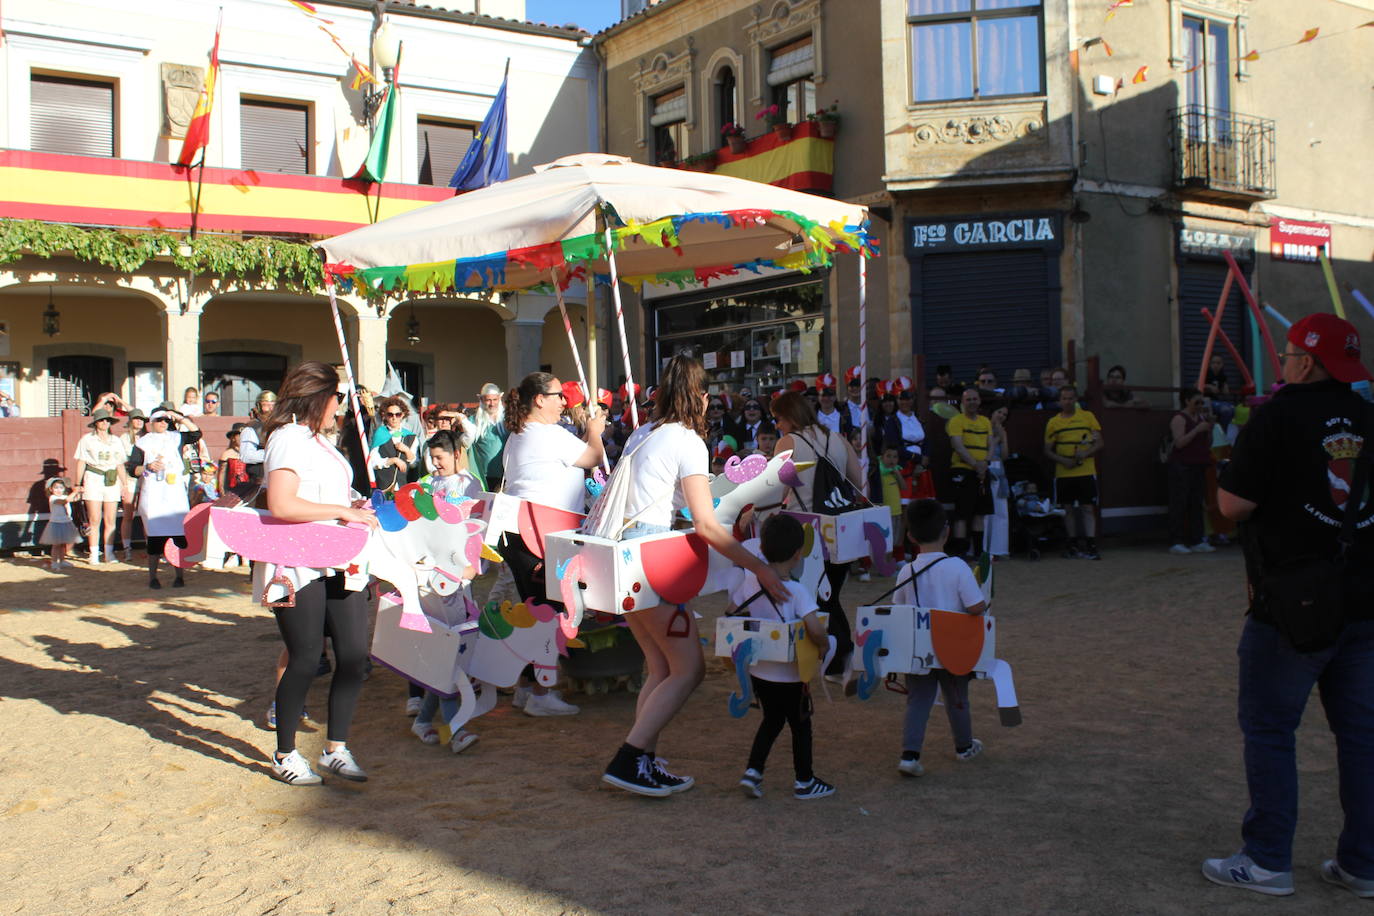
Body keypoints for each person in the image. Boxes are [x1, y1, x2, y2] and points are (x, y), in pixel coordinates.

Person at [1203, 313, 1374, 899]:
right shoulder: (1370, 416)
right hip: (1365, 594)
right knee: (1362, 736)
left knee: (1271, 729)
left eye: (1289, 351)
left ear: (1304, 359)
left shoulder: (1275, 417)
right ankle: (1364, 863)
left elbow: (1231, 504)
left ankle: (1268, 857)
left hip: (1295, 601)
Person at [601, 355, 789, 797]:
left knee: (661, 666)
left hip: (623, 555)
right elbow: (705, 523)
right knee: (688, 670)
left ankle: (642, 758)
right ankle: (630, 757)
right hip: (652, 559)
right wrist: (758, 565)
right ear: (702, 398)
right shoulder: (688, 441)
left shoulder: (642, 433)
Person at [255, 361, 379, 786]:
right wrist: (341, 511)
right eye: (338, 397)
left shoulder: (320, 441)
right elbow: (282, 505)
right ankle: (286, 754)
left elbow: (330, 495)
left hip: (339, 557)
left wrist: (355, 506)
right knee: (306, 657)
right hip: (296, 562)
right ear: (320, 397)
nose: (340, 406)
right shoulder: (288, 439)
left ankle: (336, 748)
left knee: (353, 655)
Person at [501, 371, 606, 717]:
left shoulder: (520, 434)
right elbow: (593, 459)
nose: (564, 401)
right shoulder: (548, 434)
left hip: (526, 532)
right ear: (539, 399)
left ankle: (527, 687)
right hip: (542, 534)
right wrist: (595, 432)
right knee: (551, 615)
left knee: (538, 612)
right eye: (558, 395)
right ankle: (540, 692)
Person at [731, 513, 834, 801]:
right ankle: (805, 780)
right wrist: (825, 644)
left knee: (771, 720)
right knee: (801, 726)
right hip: (790, 674)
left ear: (762, 550)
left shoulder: (751, 583)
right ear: (798, 554)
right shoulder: (797, 591)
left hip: (759, 670)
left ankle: (753, 771)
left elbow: (732, 609)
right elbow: (814, 628)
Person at [772, 391, 866, 682]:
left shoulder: (788, 443)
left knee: (819, 597)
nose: (776, 425)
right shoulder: (837, 439)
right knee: (831, 593)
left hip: (807, 530)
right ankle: (839, 656)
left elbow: (776, 490)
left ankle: (841, 654)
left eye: (778, 419)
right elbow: (859, 482)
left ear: (790, 417)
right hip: (841, 529)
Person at [892, 499, 988, 777]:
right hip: (953, 644)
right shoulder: (957, 567)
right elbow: (975, 606)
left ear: (910, 536)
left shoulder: (906, 570)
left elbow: (899, 608)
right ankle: (964, 746)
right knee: (957, 697)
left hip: (918, 646)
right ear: (946, 531)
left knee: (918, 700)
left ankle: (909, 755)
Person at [409, 429, 484, 754]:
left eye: (439, 458)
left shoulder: (471, 485)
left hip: (459, 578)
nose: (434, 464)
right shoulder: (428, 485)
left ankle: (425, 720)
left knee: (452, 651)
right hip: (434, 578)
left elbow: (479, 529)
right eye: (432, 458)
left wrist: (472, 563)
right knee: (447, 650)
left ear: (456, 454)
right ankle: (455, 728)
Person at [130, 406, 200, 589]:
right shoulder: (142, 443)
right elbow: (132, 469)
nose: (163, 424)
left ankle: (179, 576)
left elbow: (196, 433)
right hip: (153, 492)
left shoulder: (176, 437)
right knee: (154, 537)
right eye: (160, 420)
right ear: (151, 422)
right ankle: (153, 577)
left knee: (178, 535)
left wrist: (178, 417)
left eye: (166, 420)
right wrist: (148, 467)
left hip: (174, 492)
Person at [1044, 383, 1104, 559]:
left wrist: (1084, 454)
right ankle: (1072, 545)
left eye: (1071, 398)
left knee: (1087, 507)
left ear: (1076, 400)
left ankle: (1091, 545)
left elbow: (1099, 442)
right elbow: (1047, 450)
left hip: (1085, 469)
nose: (1068, 402)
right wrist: (1064, 461)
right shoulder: (1053, 422)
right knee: (1067, 509)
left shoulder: (1088, 417)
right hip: (1064, 471)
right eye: (1064, 399)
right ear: (1059, 401)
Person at [72, 408, 128, 564]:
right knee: (94, 518)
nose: (105, 423)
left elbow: (120, 465)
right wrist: (78, 483)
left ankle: (109, 553)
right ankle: (94, 553)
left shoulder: (115, 440)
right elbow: (81, 462)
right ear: (96, 423)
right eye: (102, 420)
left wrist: (124, 484)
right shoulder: (87, 440)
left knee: (110, 519)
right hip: (94, 478)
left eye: (107, 420)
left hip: (111, 479)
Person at [1167, 388, 1216, 555]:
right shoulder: (1179, 418)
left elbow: (1208, 442)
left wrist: (1209, 428)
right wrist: (1197, 430)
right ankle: (1176, 540)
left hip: (1198, 465)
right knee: (1179, 503)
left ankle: (1197, 539)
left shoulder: (1201, 418)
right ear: (1187, 401)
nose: (1200, 405)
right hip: (1182, 466)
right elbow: (1179, 443)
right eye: (1197, 402)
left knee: (1196, 504)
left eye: (1202, 402)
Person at [945, 388, 992, 559]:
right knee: (961, 514)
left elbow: (991, 444)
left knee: (980, 513)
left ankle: (979, 552)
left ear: (979, 401)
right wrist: (976, 465)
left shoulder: (986, 422)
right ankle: (961, 553)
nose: (972, 402)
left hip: (982, 472)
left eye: (974, 399)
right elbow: (958, 446)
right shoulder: (956, 421)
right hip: (963, 471)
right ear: (962, 402)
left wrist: (985, 464)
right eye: (968, 399)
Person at [117, 409, 147, 561]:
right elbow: (122, 462)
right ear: (130, 421)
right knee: (128, 514)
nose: (139, 421)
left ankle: (150, 547)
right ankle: (127, 547)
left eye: (141, 419)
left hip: (146, 478)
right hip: (129, 478)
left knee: (146, 514)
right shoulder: (124, 438)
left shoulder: (148, 437)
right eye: (136, 419)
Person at [984, 402, 1012, 557]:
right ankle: (986, 548)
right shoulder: (983, 427)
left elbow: (1005, 455)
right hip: (987, 467)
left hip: (999, 470)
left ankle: (999, 548)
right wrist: (996, 439)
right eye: (999, 412)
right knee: (987, 512)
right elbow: (987, 451)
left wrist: (1004, 438)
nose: (1001, 416)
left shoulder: (1003, 431)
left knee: (1000, 511)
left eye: (1004, 414)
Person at [469, 382, 508, 491]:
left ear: (499, 399)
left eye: (495, 399)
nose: (492, 404)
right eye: (488, 400)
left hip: (506, 474)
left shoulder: (508, 419)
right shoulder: (474, 421)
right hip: (484, 475)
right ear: (481, 400)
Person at [237, 390, 278, 486]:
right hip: (259, 481)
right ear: (259, 406)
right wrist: (272, 452)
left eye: (273, 405)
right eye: (266, 405)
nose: (270, 409)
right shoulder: (251, 428)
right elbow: (246, 456)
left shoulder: (281, 427)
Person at [41, 477, 78, 570]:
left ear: (64, 488)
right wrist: (75, 492)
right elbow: (63, 502)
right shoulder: (53, 498)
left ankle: (62, 561)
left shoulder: (65, 496)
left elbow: (75, 498)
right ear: (51, 489)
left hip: (66, 522)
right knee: (56, 544)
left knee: (63, 544)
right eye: (56, 488)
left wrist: (78, 490)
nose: (59, 490)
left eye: (61, 488)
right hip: (56, 524)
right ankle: (54, 562)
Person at [884, 389, 925, 467]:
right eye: (901, 399)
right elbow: (893, 445)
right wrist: (915, 457)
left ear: (913, 400)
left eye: (907, 399)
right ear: (897, 400)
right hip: (902, 464)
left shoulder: (919, 419)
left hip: (922, 464)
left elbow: (926, 441)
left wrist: (926, 456)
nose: (904, 402)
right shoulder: (892, 421)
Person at [218, 423, 251, 499]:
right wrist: (222, 493)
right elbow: (221, 476)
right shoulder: (227, 454)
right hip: (231, 491)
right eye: (240, 435)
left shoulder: (252, 454)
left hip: (249, 491)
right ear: (233, 438)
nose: (242, 438)